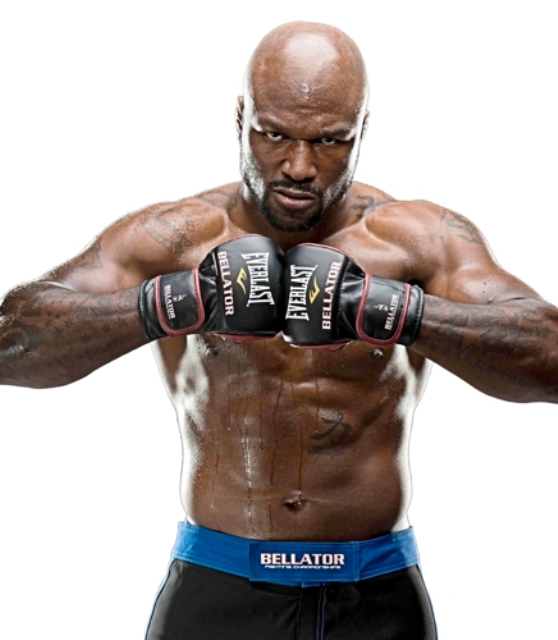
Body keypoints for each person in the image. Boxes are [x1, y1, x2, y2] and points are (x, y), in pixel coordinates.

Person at [1, 20, 557, 640]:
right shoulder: (176, 237)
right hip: (217, 585)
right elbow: (10, 343)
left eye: (330, 141)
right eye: (273, 134)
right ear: (240, 117)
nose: (299, 166)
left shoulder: (419, 241)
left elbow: (550, 356)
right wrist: (179, 301)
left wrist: (393, 311)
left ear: (363, 129)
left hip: (376, 595)